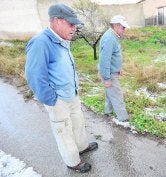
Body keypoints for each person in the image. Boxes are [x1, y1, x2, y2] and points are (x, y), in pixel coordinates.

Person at [25, 3, 98, 173]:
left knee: (77, 122)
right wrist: (52, 100)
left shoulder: (62, 39)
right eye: (71, 23)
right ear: (57, 21)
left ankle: (81, 147)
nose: (74, 27)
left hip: (71, 94)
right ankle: (73, 162)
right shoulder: (40, 42)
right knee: (63, 130)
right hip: (57, 99)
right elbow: (35, 77)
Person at [98, 15, 130, 122]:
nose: (124, 30)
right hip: (109, 73)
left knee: (110, 93)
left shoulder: (113, 36)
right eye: (123, 27)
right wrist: (107, 78)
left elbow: (113, 56)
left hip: (112, 71)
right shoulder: (110, 38)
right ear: (116, 25)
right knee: (117, 95)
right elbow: (104, 60)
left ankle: (108, 111)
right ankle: (123, 118)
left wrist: (119, 68)